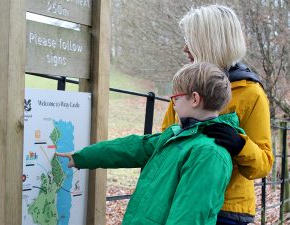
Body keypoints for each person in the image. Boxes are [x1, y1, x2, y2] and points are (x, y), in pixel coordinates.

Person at [56, 62, 244, 225]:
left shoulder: (209, 154)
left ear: (194, 99)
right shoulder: (178, 136)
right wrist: (82, 157)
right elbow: (131, 148)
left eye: (176, 98)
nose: (174, 104)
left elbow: (189, 217)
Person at [161, 5, 274, 225]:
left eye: (190, 40)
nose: (185, 48)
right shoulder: (186, 84)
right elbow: (164, 138)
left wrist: (239, 145)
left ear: (210, 42)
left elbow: (263, 164)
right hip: (183, 203)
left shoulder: (251, 93)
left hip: (226, 212)